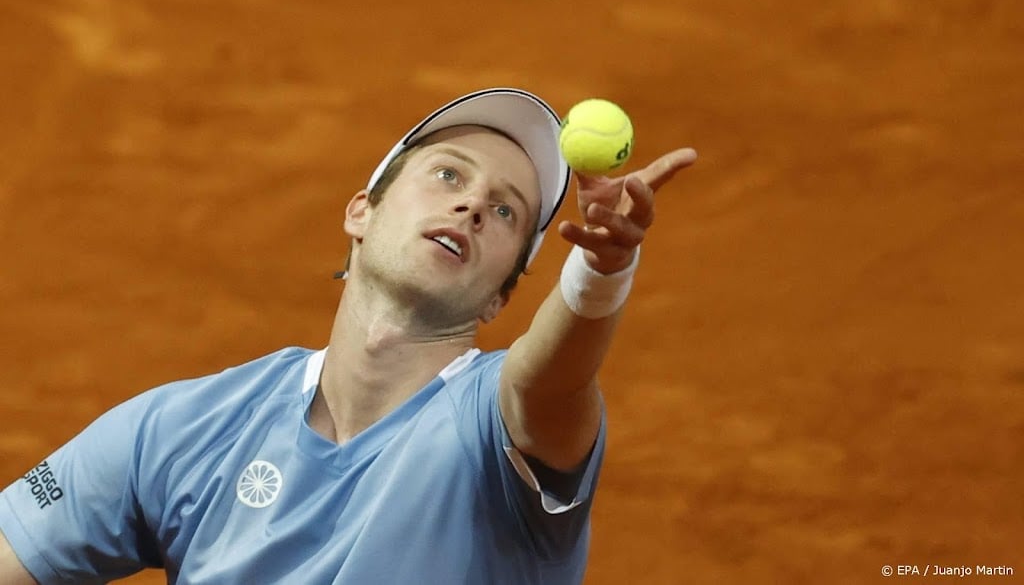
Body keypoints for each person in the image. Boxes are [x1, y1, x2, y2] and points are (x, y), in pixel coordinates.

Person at [0, 87, 697, 584]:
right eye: (449, 173)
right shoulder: (184, 429)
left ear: (500, 296)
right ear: (362, 210)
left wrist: (602, 268)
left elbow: (552, 378)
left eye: (506, 211)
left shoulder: (499, 429)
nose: (472, 205)